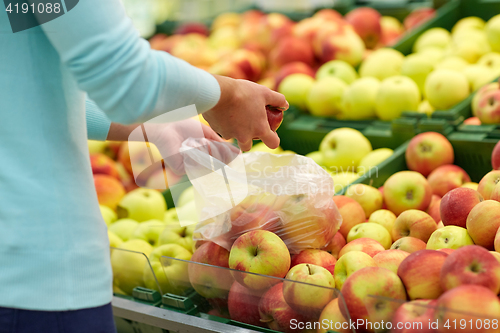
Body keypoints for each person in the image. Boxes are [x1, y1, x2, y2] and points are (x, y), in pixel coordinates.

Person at [0, 0, 288, 331]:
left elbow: (18, 80)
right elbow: (123, 74)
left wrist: (153, 124)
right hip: (38, 278)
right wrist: (227, 95)